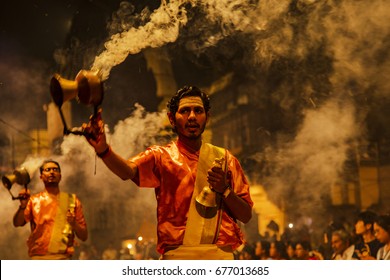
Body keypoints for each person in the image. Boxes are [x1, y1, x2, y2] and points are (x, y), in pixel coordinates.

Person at [82, 85, 253, 260]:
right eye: (185, 111)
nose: (192, 116)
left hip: (220, 259)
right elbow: (127, 171)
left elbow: (246, 215)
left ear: (207, 118)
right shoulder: (160, 156)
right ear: (172, 118)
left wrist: (225, 190)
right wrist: (104, 150)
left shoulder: (226, 160)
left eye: (198, 111)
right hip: (177, 258)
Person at [13, 160, 88, 259]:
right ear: (41, 176)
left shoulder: (72, 201)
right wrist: (23, 206)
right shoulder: (33, 200)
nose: (52, 172)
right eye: (48, 170)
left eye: (55, 170)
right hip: (39, 257)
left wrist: (74, 223)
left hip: (63, 258)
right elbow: (17, 223)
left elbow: (84, 236)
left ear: (60, 176)